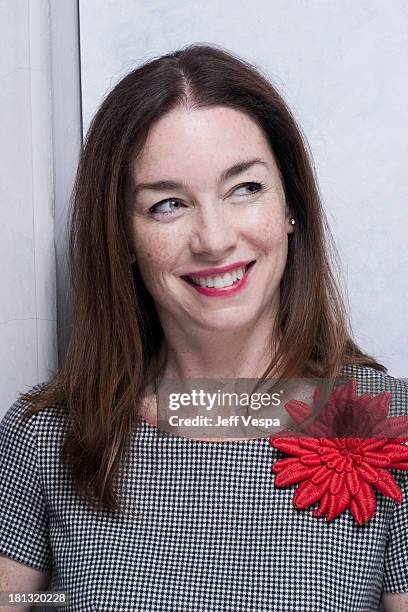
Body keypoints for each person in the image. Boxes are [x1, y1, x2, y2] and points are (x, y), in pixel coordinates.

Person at [0, 43, 407, 612]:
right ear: (123, 239)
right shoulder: (45, 438)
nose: (214, 239)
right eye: (168, 204)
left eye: (245, 188)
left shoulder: (391, 423)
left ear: (291, 206)